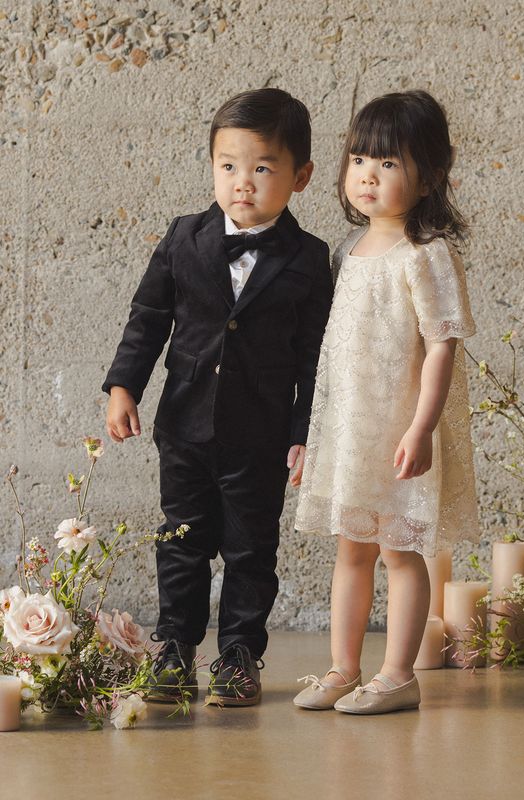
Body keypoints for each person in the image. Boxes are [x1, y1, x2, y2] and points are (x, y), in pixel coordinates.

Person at [102, 88, 333, 706]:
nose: (243, 183)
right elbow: (147, 318)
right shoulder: (185, 238)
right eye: (228, 166)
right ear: (211, 166)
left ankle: (238, 654)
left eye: (262, 167)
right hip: (183, 427)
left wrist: (304, 431)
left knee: (252, 550)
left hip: (259, 436)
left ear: (301, 176)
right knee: (181, 541)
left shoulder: (309, 260)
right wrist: (124, 385)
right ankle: (174, 648)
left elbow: (316, 358)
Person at [293, 90, 480, 715]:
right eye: (358, 159)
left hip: (400, 427)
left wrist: (422, 427)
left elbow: (440, 349)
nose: (368, 175)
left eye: (389, 163)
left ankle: (399, 674)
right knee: (352, 548)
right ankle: (344, 667)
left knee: (400, 550)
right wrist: (312, 437)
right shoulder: (348, 252)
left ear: (429, 177)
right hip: (351, 429)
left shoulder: (425, 256)